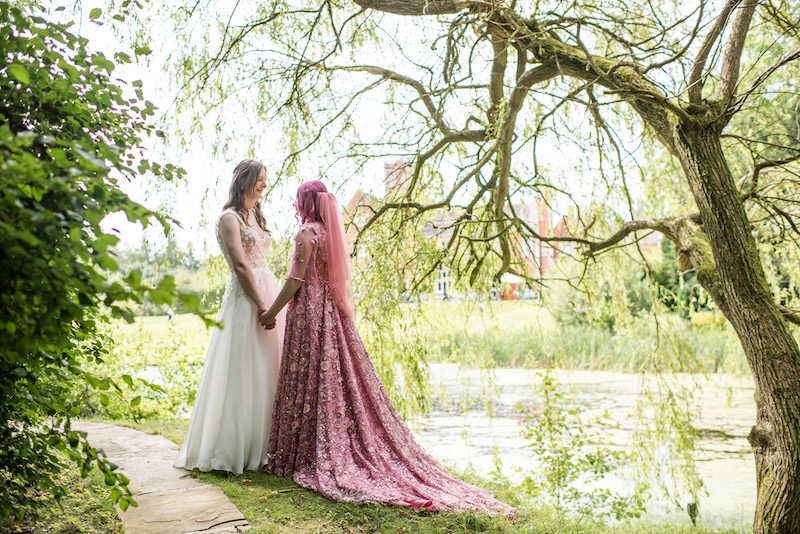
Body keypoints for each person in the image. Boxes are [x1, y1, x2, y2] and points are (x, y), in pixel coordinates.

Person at [259, 180, 514, 517]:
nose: (296, 205)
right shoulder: (330, 233)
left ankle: (303, 453)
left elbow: (295, 280)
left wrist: (271, 313)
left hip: (309, 313)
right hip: (332, 315)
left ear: (305, 202)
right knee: (331, 380)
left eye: (297, 200)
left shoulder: (306, 233)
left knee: (310, 377)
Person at [174, 159, 285, 474]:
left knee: (268, 367)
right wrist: (261, 305)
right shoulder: (229, 218)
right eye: (259, 179)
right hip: (246, 299)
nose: (264, 185)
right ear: (244, 180)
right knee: (243, 369)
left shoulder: (255, 214)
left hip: (268, 290)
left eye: (265, 179)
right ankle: (232, 449)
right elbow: (240, 265)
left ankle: (267, 444)